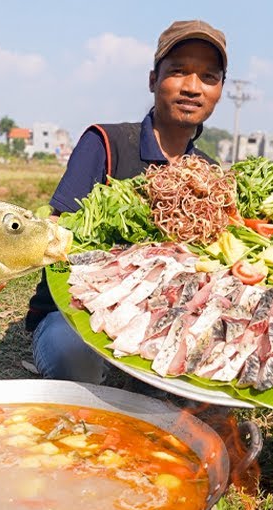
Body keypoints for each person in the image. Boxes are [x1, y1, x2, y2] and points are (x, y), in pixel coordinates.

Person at [24, 19, 228, 383]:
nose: (192, 88)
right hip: (75, 316)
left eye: (208, 77)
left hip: (162, 325)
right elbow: (56, 233)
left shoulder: (210, 176)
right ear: (153, 80)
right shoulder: (105, 143)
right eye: (179, 71)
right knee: (74, 357)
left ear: (220, 89)